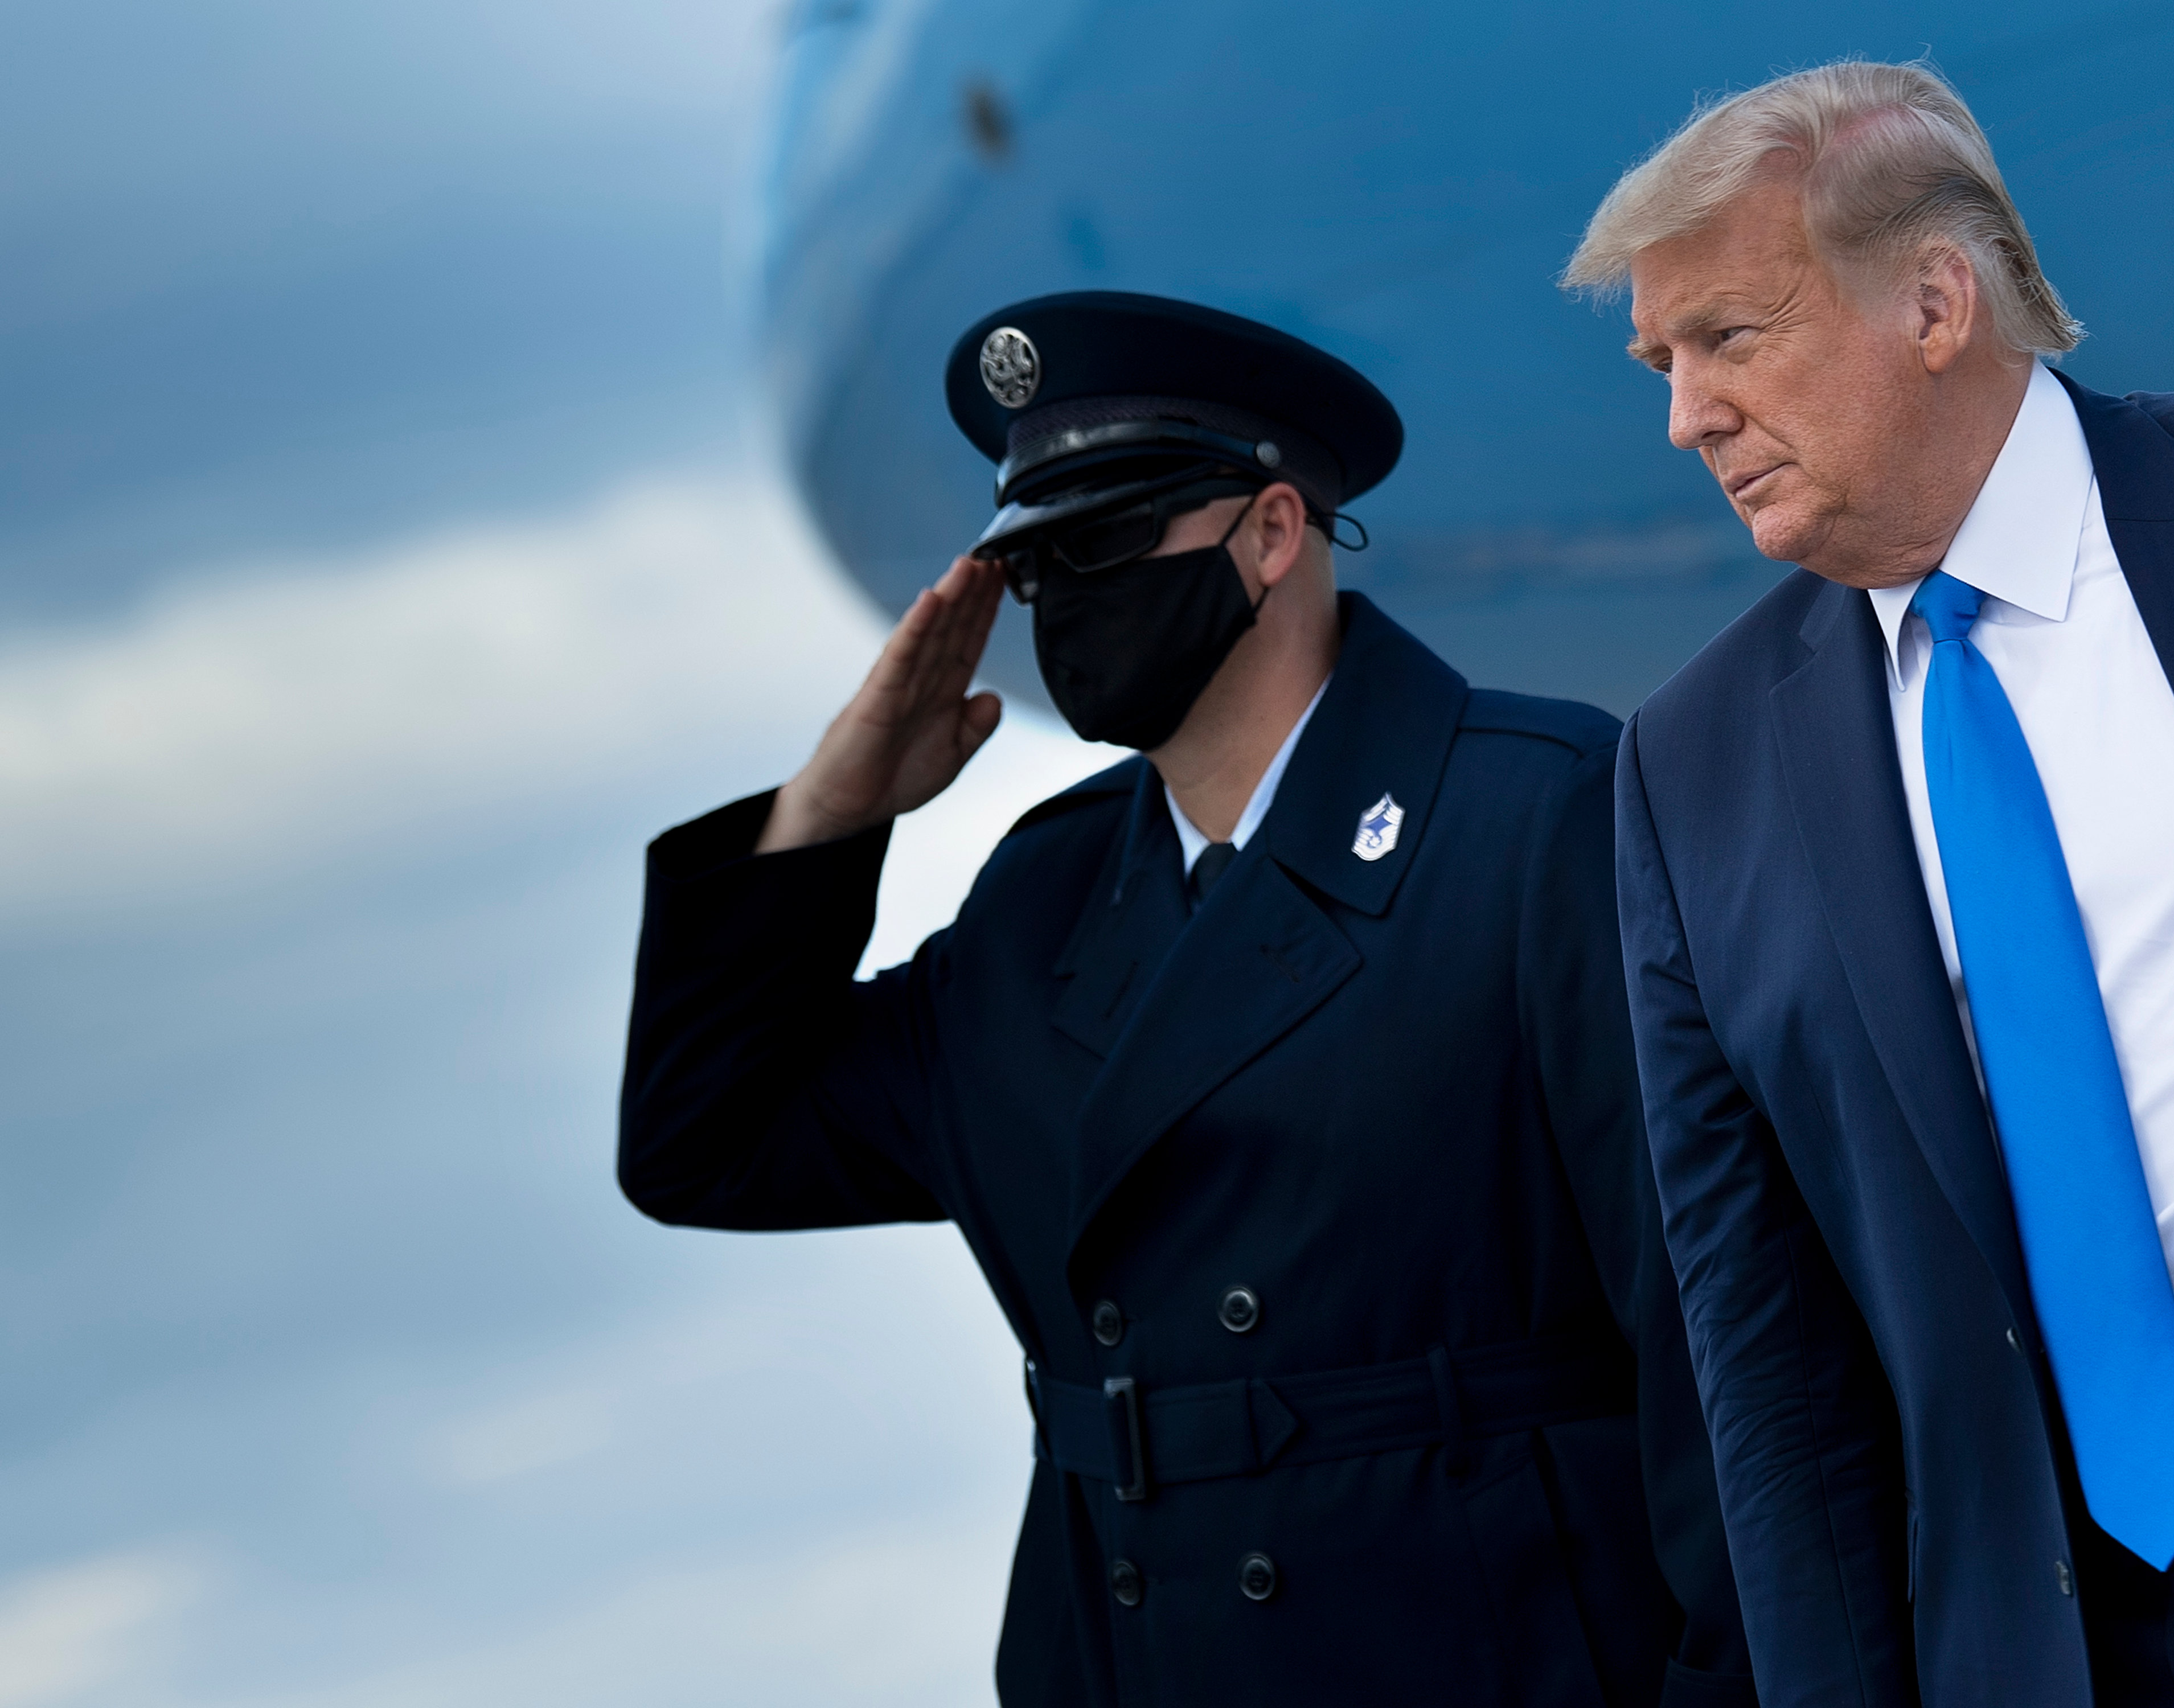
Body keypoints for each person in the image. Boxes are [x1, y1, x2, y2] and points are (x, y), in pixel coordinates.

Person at [1568, 60, 2174, 1708]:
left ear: (1936, 302)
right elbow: (1769, 1360)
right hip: (2060, 1629)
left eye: (1728, 338)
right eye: (1659, 363)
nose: (1683, 414)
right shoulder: (1690, 774)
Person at [618, 292, 1755, 1706]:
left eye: (1104, 545)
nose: (1068, 604)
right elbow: (703, 1137)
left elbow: (1728, 1354)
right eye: (1036, 571)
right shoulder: (1038, 910)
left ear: (1273, 535)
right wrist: (831, 811)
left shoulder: (1538, 823)